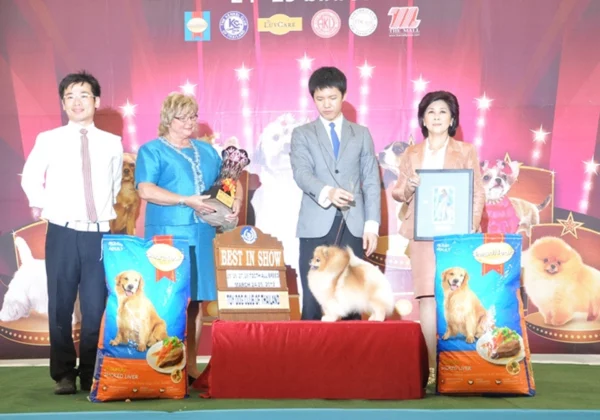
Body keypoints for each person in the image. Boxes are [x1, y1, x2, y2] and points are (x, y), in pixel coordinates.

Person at [21, 71, 123, 394]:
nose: (77, 102)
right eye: (70, 97)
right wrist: (45, 206)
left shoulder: (112, 143)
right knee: (60, 305)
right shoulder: (48, 139)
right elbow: (31, 177)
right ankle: (64, 373)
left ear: (96, 101)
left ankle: (91, 371)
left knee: (95, 307)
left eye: (84, 95)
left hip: (98, 235)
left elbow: (115, 184)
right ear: (63, 103)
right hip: (62, 233)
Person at [135, 92, 243, 383]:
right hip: (168, 237)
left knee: (196, 303)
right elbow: (145, 190)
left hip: (203, 234)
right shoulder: (151, 150)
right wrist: (186, 200)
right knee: (166, 301)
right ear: (167, 119)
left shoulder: (207, 151)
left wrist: (234, 203)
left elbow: (227, 184)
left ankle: (188, 366)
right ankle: (160, 365)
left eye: (193, 116)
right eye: (181, 117)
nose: (189, 123)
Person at [391, 90, 485, 386]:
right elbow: (397, 192)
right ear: (422, 119)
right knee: (428, 299)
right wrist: (409, 187)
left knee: (458, 296)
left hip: (455, 235)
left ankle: (460, 367)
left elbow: (477, 192)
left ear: (452, 119)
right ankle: (432, 368)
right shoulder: (411, 153)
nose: (436, 117)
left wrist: (470, 227)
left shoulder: (466, 151)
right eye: (430, 112)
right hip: (421, 234)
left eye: (443, 111)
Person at [290, 66, 381, 321]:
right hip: (315, 225)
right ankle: (308, 346)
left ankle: (352, 347)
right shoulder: (302, 134)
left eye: (332, 97)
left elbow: (371, 180)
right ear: (313, 98)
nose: (326, 104)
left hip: (353, 223)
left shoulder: (361, 134)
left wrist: (371, 225)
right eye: (320, 99)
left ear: (343, 96)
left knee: (351, 296)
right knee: (313, 298)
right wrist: (328, 192)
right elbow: (301, 173)